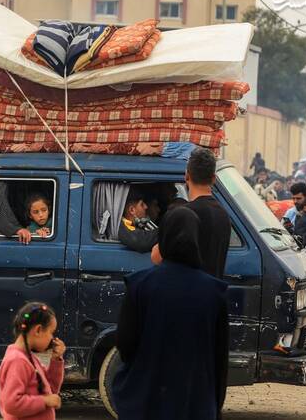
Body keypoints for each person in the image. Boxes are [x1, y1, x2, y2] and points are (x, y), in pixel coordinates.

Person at [113, 207, 228, 420]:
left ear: (163, 236)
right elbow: (219, 356)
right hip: (194, 401)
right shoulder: (214, 292)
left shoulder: (140, 284)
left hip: (146, 398)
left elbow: (125, 344)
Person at [0, 302, 65, 420]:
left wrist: (56, 360)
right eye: (51, 332)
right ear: (38, 330)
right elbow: (12, 403)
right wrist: (45, 401)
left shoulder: (28, 357)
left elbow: (49, 390)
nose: (52, 338)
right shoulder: (18, 361)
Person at [183, 147, 231, 279]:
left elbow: (156, 257)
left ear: (187, 176)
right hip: (213, 290)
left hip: (189, 290)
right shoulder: (223, 214)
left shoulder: (184, 214)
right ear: (214, 178)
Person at [118, 189, 158, 254]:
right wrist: (166, 231)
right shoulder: (121, 226)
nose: (146, 207)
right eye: (142, 204)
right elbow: (142, 241)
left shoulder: (136, 224)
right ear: (132, 210)